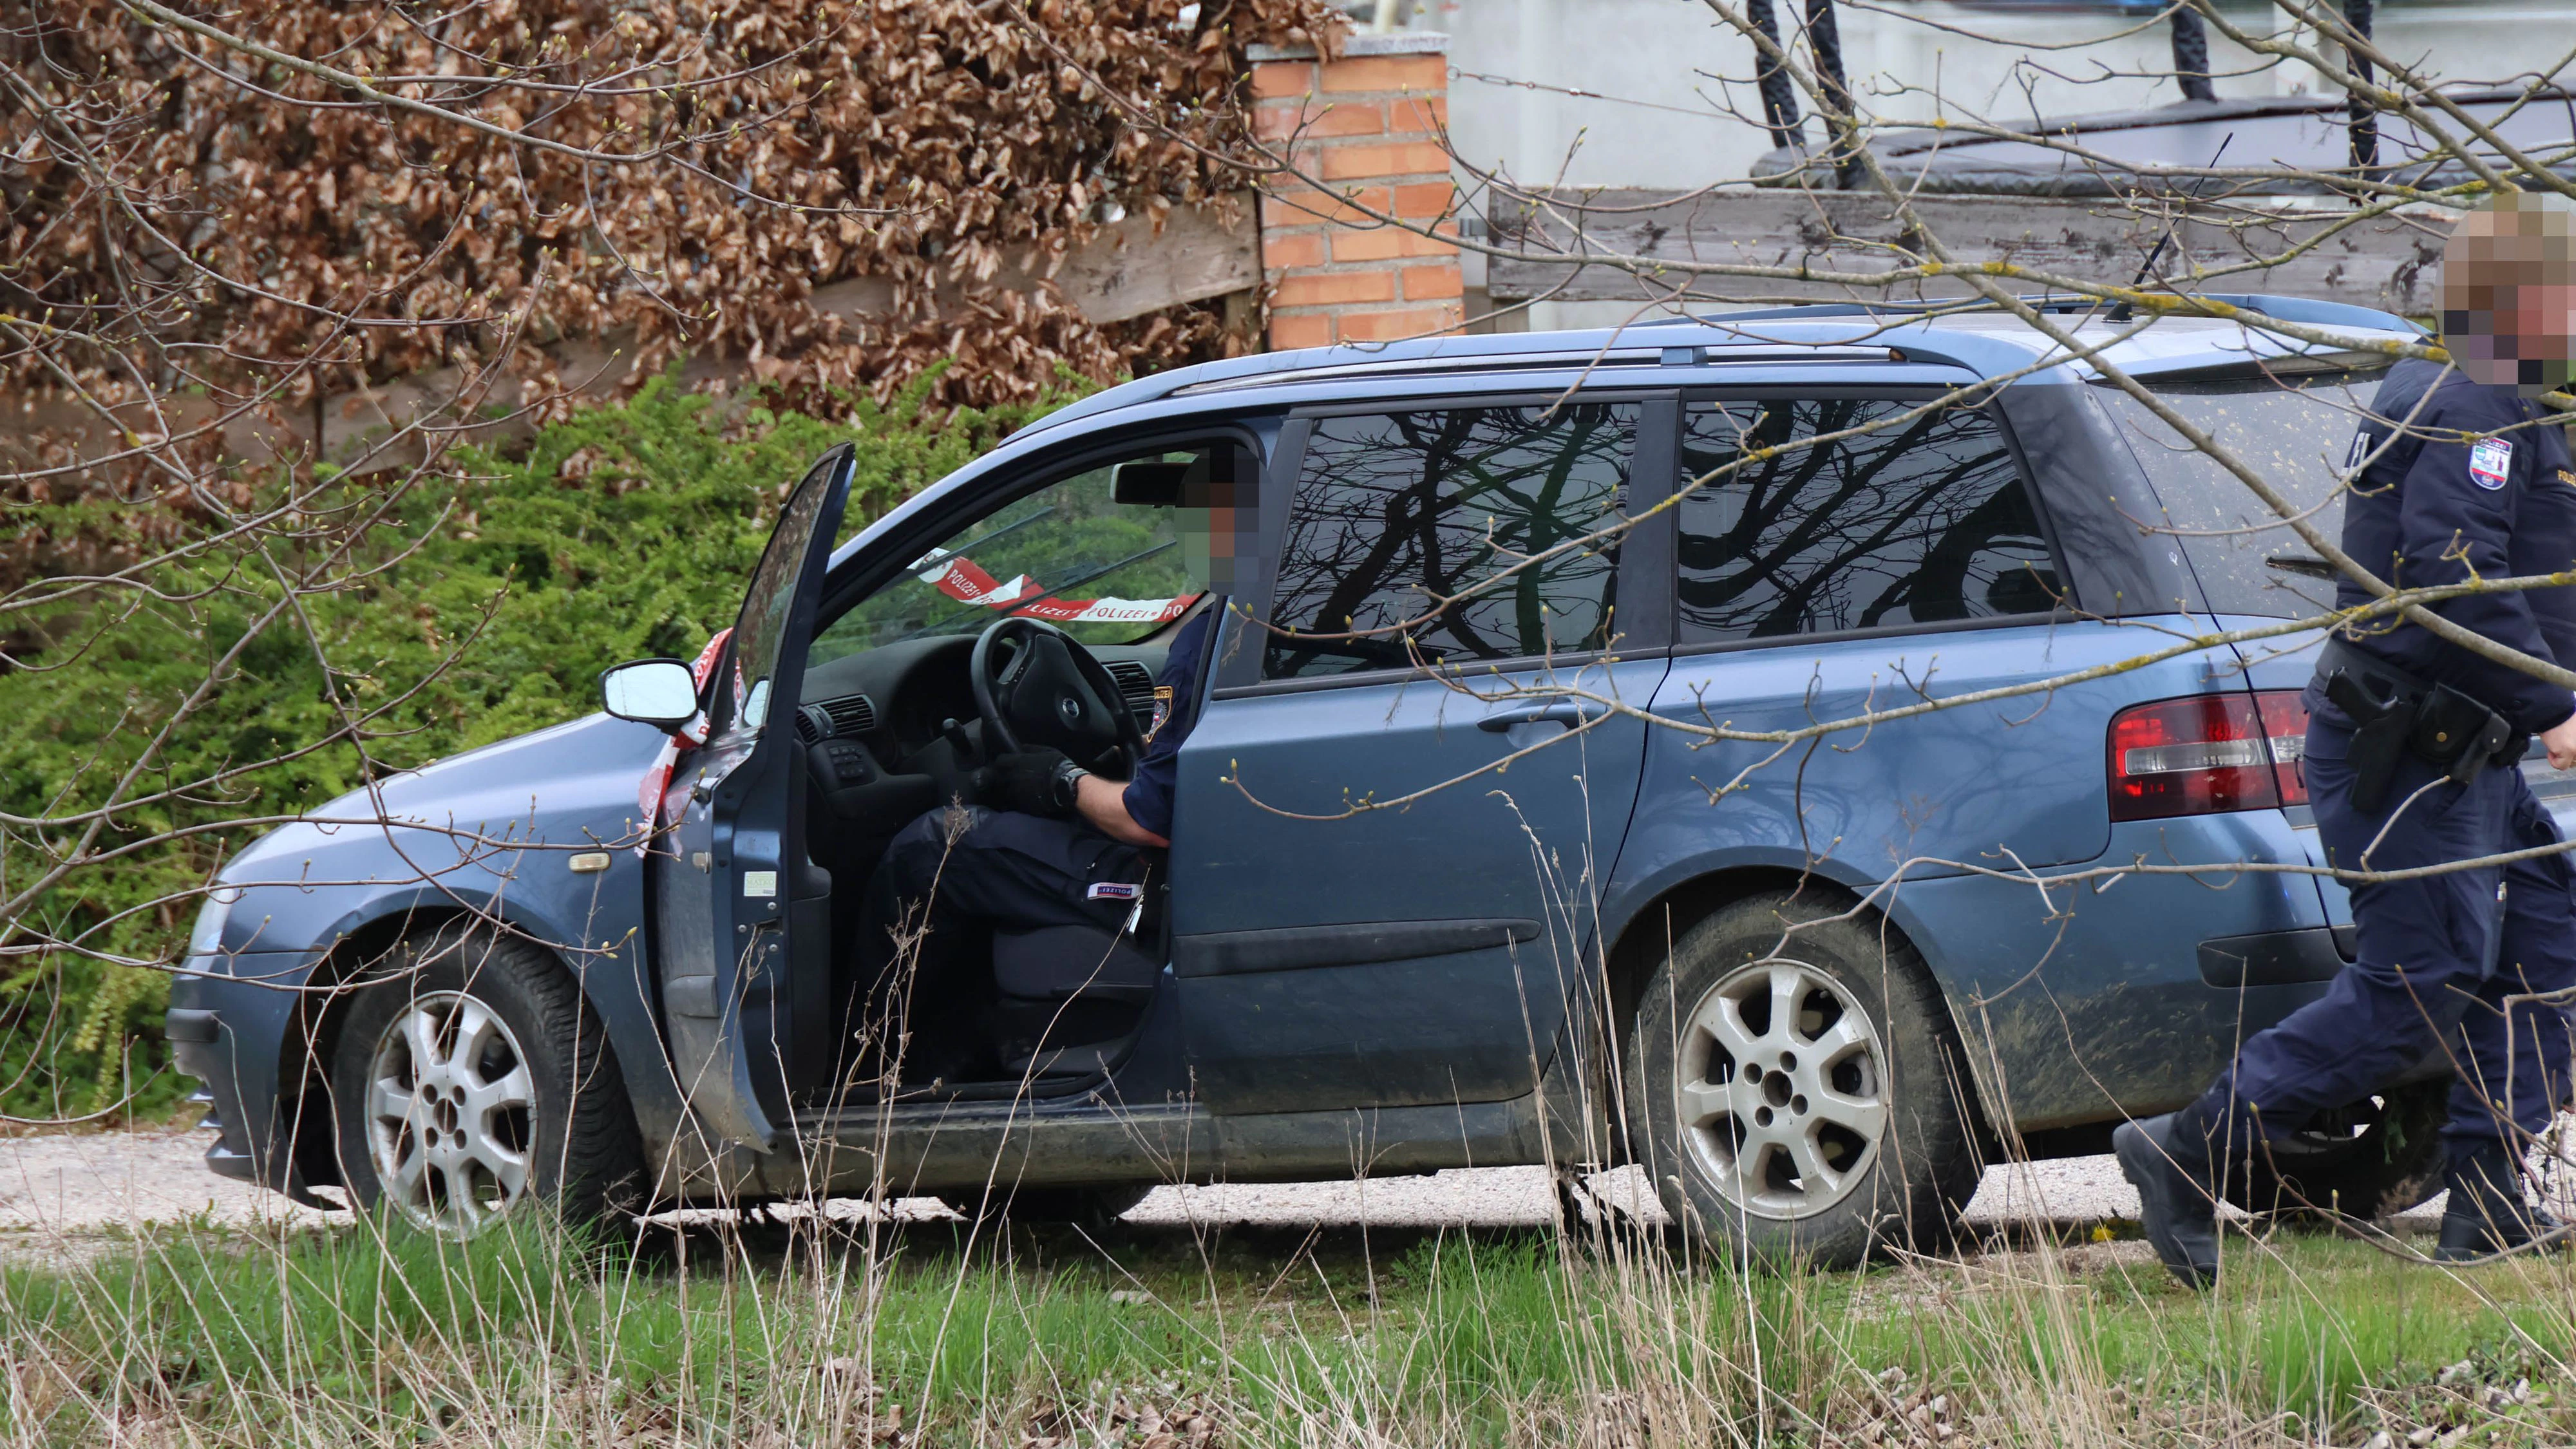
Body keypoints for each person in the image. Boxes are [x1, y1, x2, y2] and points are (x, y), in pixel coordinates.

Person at [2117, 192, 2576, 1286]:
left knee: (2558, 935)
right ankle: (2187, 1153)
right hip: (2412, 751)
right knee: (2417, 983)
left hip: (2466, 750)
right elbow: (2452, 579)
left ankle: (2487, 1190)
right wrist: (2557, 708)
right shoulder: (2474, 403)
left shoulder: (2493, 391)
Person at [848, 467, 1245, 1085]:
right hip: (1226, 867)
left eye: (1195, 515)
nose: (1181, 529)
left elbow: (1150, 820)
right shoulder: (1273, 620)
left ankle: (867, 1064)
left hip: (1167, 890)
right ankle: (962, 1048)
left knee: (936, 846)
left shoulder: (1217, 635)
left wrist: (1061, 779)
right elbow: (1177, 768)